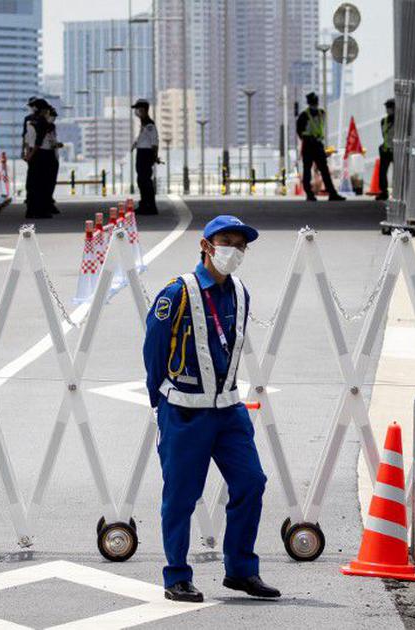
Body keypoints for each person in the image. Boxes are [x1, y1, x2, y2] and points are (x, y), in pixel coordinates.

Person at [143, 215, 280, 603]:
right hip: (185, 411)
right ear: (205, 244)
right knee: (182, 496)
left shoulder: (240, 291)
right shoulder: (177, 293)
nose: (233, 251)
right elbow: (153, 349)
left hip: (229, 411)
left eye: (240, 245)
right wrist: (160, 401)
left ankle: (240, 569)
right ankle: (177, 575)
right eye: (226, 242)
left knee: (251, 482)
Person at [295, 92, 345, 202]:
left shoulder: (320, 113)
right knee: (310, 170)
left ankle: (330, 193)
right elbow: (300, 131)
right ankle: (312, 193)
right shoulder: (307, 115)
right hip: (309, 144)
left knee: (322, 170)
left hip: (315, 144)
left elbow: (299, 131)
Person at [21, 97, 54, 219]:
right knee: (43, 184)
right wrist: (31, 153)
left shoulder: (28, 119)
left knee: (31, 182)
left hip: (32, 155)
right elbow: (39, 141)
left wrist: (26, 153)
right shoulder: (43, 121)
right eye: (45, 109)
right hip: (43, 154)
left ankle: (30, 210)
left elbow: (26, 138)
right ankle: (42, 211)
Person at [131, 99, 160, 215]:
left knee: (145, 181)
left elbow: (154, 142)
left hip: (146, 154)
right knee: (141, 180)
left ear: (143, 110)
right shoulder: (144, 124)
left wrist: (154, 156)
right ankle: (144, 204)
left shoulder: (149, 125)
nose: (136, 112)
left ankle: (151, 206)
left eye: (138, 109)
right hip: (141, 153)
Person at [44, 107, 63, 215]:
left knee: (51, 181)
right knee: (48, 181)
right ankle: (47, 202)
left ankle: (49, 200)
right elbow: (47, 143)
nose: (53, 119)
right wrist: (56, 145)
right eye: (52, 117)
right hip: (48, 155)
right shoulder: (44, 127)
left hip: (53, 155)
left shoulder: (52, 127)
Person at [377, 98, 396, 201]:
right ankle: (383, 192)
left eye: (390, 107)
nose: (388, 109)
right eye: (387, 107)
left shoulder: (400, 121)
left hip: (396, 151)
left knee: (398, 172)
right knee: (382, 172)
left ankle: (397, 192)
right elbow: (384, 135)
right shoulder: (383, 121)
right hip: (386, 150)